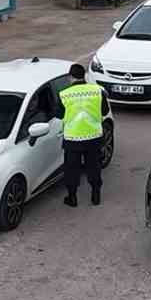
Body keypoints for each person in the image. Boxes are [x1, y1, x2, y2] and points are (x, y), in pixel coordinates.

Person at [58, 63, 109, 207]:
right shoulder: (97, 91)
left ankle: (72, 197)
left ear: (70, 77)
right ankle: (96, 195)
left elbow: (59, 114)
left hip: (73, 139)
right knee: (94, 166)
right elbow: (105, 112)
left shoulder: (64, 94)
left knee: (72, 169)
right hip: (94, 137)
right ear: (84, 75)